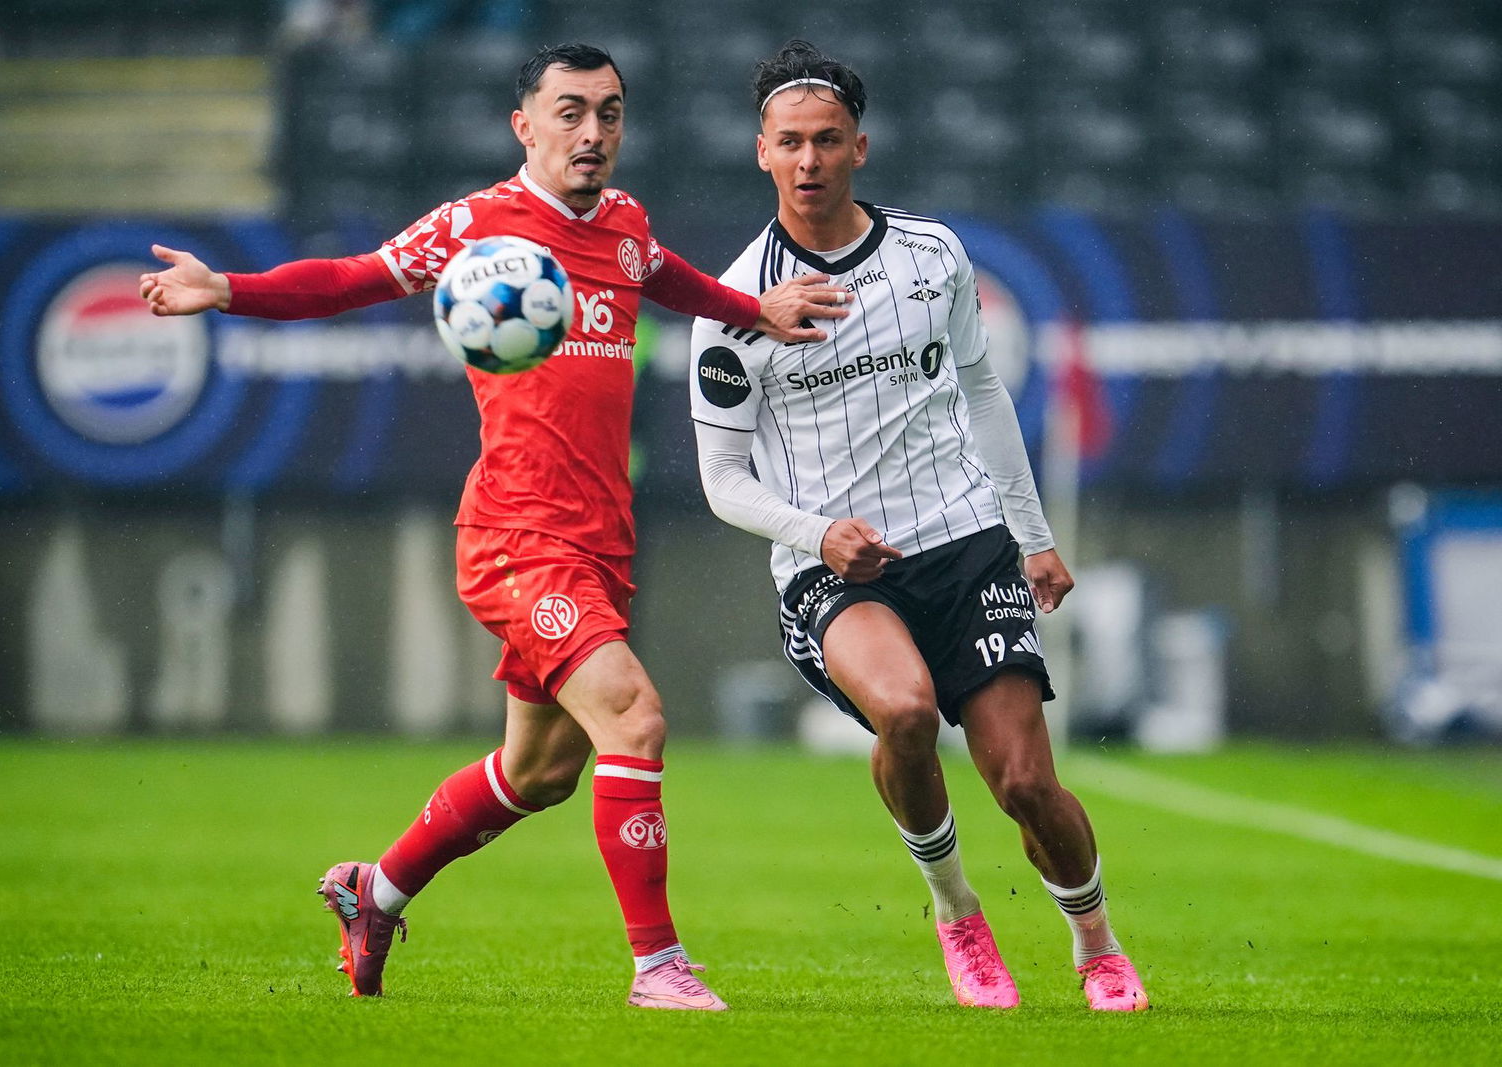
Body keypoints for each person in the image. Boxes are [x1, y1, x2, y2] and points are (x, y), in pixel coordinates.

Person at [140, 42, 847, 1011]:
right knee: (633, 714)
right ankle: (659, 967)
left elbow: (665, 275)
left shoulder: (626, 223)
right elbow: (352, 277)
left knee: (541, 768)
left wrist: (751, 310)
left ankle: (372, 890)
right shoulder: (476, 230)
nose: (591, 132)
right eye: (569, 112)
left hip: (598, 542)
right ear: (525, 124)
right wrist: (228, 289)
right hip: (517, 537)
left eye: (607, 112)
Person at [686, 40, 1148, 1012]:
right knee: (901, 711)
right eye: (787, 144)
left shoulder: (931, 255)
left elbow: (982, 390)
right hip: (833, 569)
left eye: (825, 140)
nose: (807, 161)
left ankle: (1095, 940)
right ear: (759, 152)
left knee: (1023, 780)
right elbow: (722, 481)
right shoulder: (728, 311)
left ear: (860, 144)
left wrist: (1033, 535)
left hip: (965, 539)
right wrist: (818, 535)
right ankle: (957, 913)